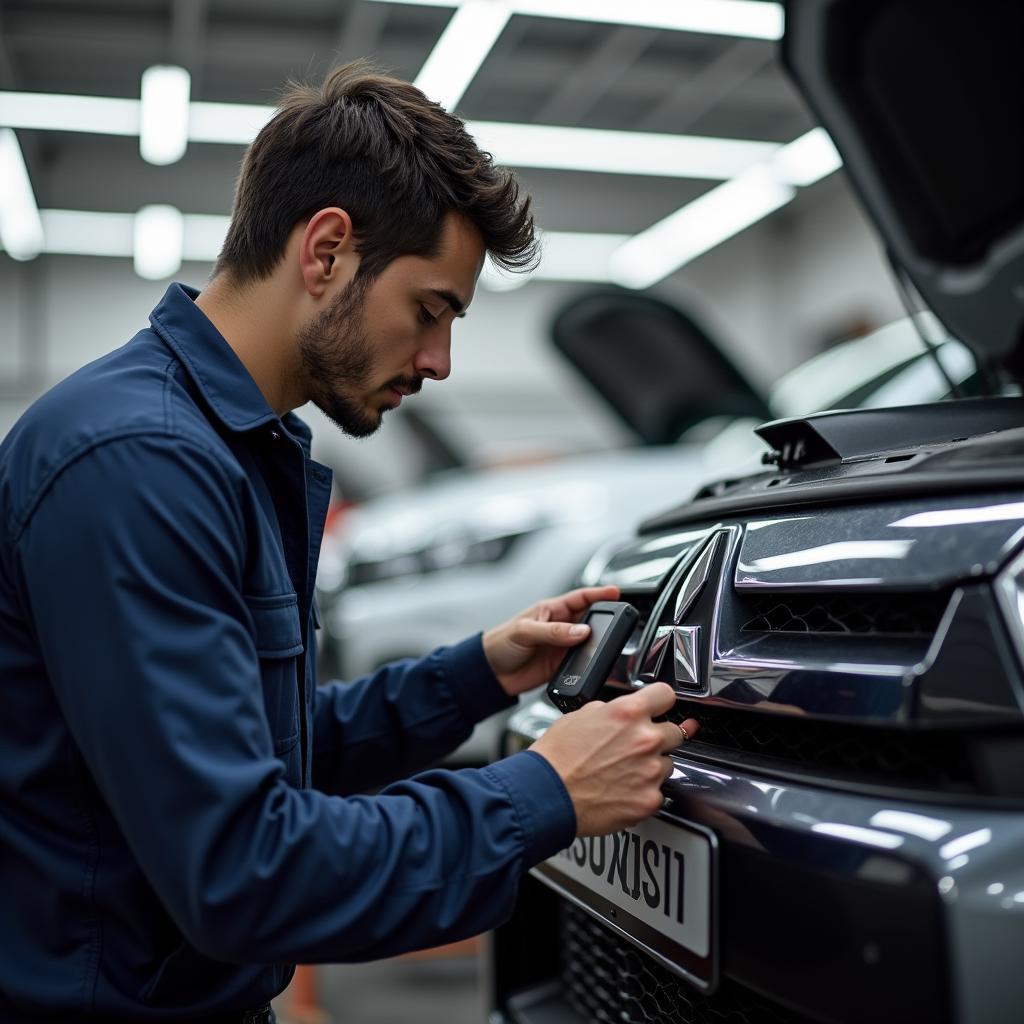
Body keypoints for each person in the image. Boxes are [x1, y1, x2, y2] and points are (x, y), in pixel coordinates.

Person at [0, 62, 698, 1023]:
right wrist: (543, 791)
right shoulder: (140, 465)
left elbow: (271, 754)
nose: (439, 362)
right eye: (430, 310)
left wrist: (477, 674)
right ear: (326, 250)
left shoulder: (222, 450)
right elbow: (245, 870)